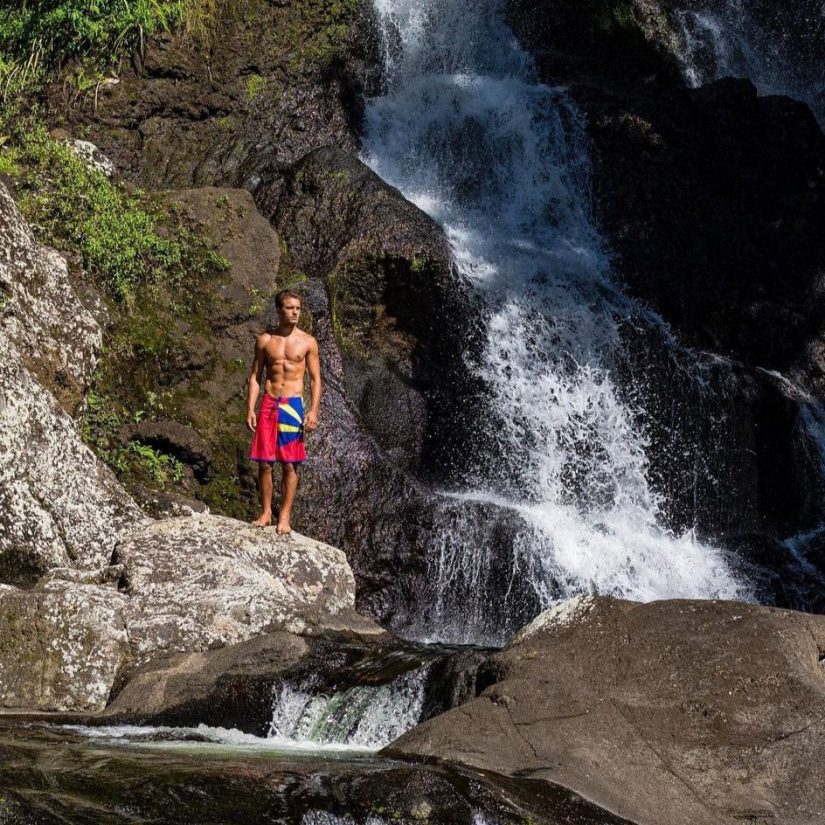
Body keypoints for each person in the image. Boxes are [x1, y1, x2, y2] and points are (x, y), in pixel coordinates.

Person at [246, 289, 321, 534]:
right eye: (290, 308)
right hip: (269, 402)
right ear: (279, 310)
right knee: (265, 463)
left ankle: (285, 517)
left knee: (290, 464)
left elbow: (315, 379)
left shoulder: (308, 342)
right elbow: (256, 377)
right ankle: (267, 512)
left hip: (292, 406)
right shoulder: (265, 340)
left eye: (298, 308)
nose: (295, 312)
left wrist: (313, 410)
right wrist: (250, 408)